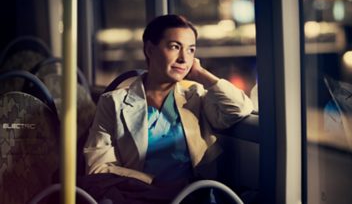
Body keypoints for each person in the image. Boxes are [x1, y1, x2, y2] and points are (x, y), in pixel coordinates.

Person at [82, 14, 253, 203]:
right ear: (149, 49)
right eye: (174, 47)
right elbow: (98, 166)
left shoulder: (195, 95)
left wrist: (202, 75)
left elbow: (239, 108)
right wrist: (154, 184)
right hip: (138, 196)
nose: (183, 58)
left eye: (191, 50)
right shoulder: (113, 103)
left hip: (194, 195)